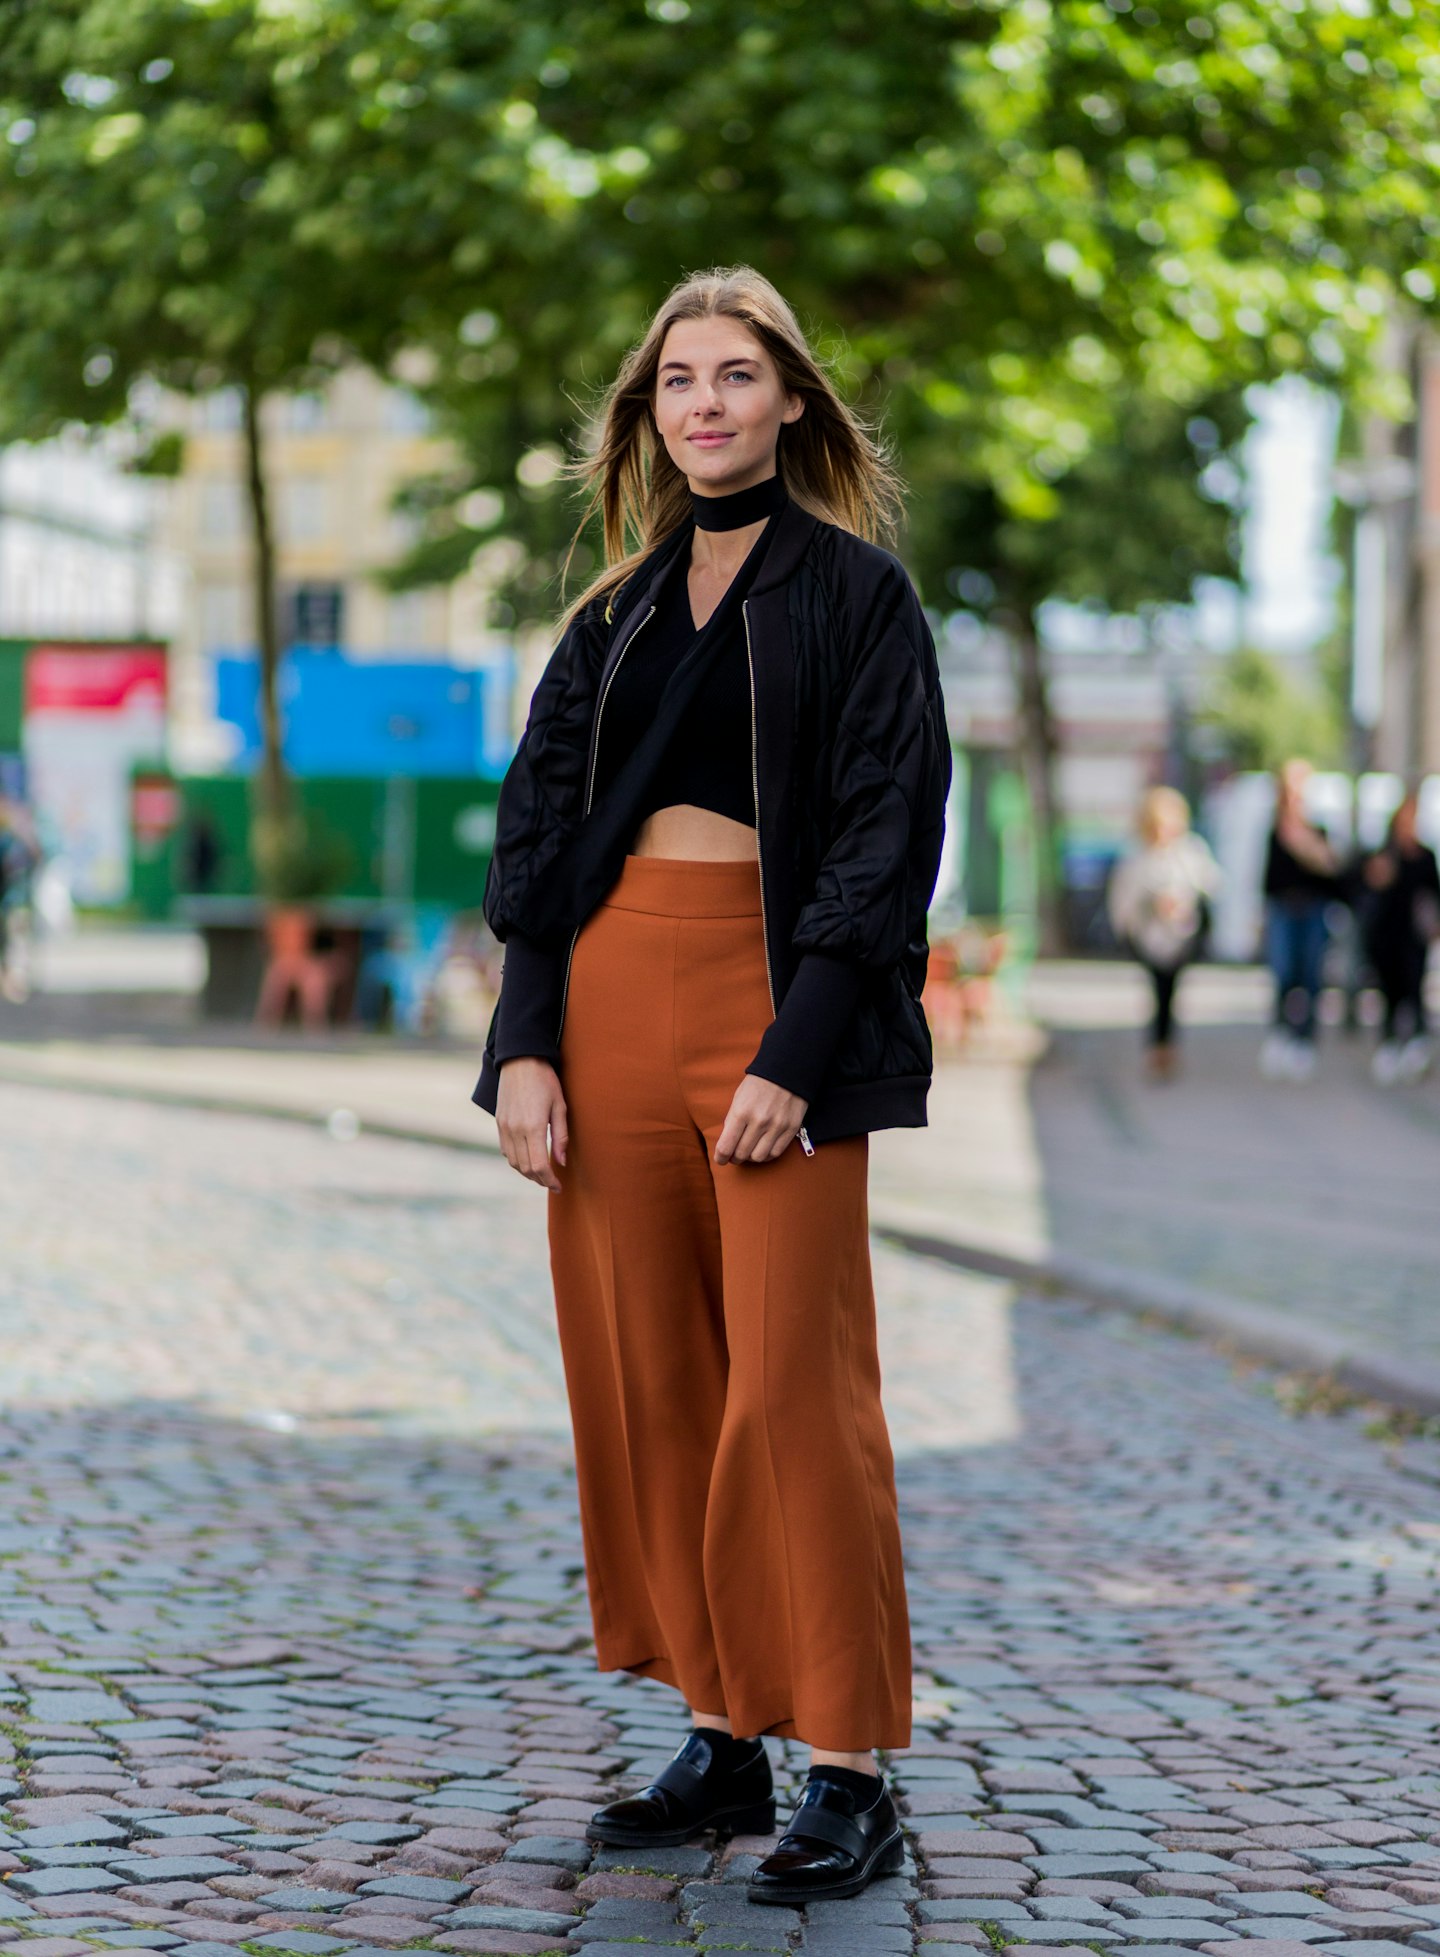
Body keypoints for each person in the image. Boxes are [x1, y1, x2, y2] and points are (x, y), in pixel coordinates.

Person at [472, 267, 950, 1904]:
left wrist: (795, 1054)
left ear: (792, 400)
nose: (704, 404)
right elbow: (535, 836)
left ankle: (850, 1768)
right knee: (652, 1376)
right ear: (650, 412)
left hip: (775, 1002)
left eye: (736, 376)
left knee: (794, 1389)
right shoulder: (608, 619)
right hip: (605, 1000)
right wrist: (522, 1044)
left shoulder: (859, 599)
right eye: (679, 380)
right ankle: (724, 1723)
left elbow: (890, 836)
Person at [1107, 786, 1220, 1079]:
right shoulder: (1138, 856)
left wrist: (1183, 901)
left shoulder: (1189, 851)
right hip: (1148, 936)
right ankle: (1158, 1047)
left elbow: (1210, 883)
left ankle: (1166, 1046)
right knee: (1157, 989)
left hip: (1181, 935)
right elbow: (1124, 899)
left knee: (1171, 990)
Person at [1260, 759, 1342, 1082]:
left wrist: (1308, 847)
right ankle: (1280, 1032)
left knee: (1310, 975)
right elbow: (1268, 879)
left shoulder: (1316, 828)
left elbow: (1332, 873)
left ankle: (1304, 1039)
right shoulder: (1274, 831)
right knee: (1282, 972)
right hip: (1283, 908)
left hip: (1312, 910)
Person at [1362, 789, 1439, 1085]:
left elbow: (1433, 893)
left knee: (1415, 988)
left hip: (1413, 935)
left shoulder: (1424, 855)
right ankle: (1390, 1043)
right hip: (1387, 934)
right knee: (1390, 990)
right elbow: (1368, 889)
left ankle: (1416, 1043)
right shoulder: (1384, 854)